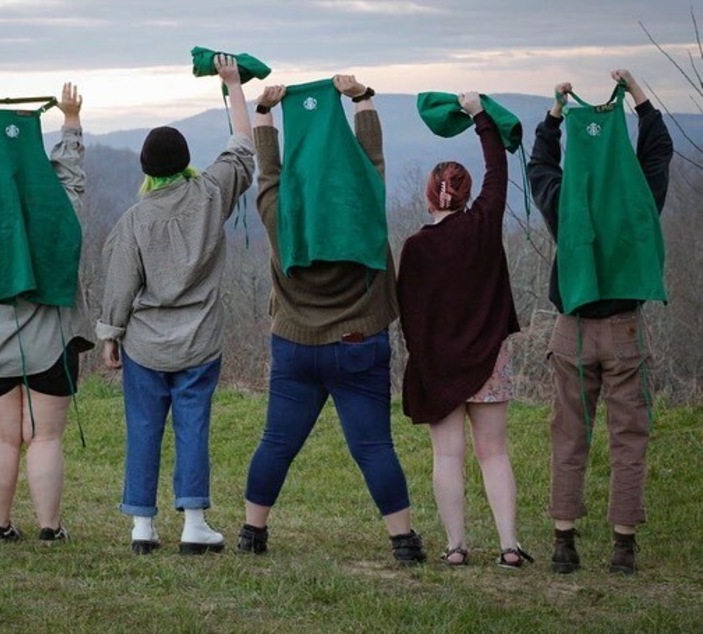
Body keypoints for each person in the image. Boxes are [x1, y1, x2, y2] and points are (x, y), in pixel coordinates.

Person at [238, 75, 425, 564]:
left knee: (276, 443)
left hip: (295, 347)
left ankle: (251, 533)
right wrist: (360, 100)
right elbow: (372, 158)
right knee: (373, 446)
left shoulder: (279, 213)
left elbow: (268, 172)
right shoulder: (364, 205)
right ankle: (403, 541)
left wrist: (264, 112)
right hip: (359, 343)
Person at [96, 54, 254, 555]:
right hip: (200, 343)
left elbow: (120, 286)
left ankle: (142, 526)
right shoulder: (210, 194)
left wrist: (110, 336)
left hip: (145, 346)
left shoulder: (134, 221)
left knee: (143, 429)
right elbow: (244, 147)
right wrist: (232, 84)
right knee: (193, 428)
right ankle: (194, 522)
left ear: (145, 168)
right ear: (186, 160)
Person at [528, 70, 673, 575]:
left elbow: (540, 164)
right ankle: (623, 548)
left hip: (572, 329)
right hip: (624, 329)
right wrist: (637, 93)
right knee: (628, 437)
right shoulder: (640, 196)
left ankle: (564, 543)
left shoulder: (563, 199)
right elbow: (658, 152)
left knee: (569, 435)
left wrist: (555, 113)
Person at [0, 82, 94, 544]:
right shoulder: (58, 215)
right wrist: (70, 121)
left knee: (2, 438)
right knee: (45, 438)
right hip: (50, 347)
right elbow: (70, 179)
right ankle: (50, 530)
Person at [397, 92, 531, 568]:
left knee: (448, 457)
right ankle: (509, 546)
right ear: (469, 193)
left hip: (439, 365)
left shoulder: (415, 248)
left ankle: (455, 547)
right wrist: (480, 116)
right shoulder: (484, 223)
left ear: (429, 195)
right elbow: (500, 171)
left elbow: (409, 318)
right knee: (493, 454)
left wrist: (427, 362)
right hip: (490, 359)